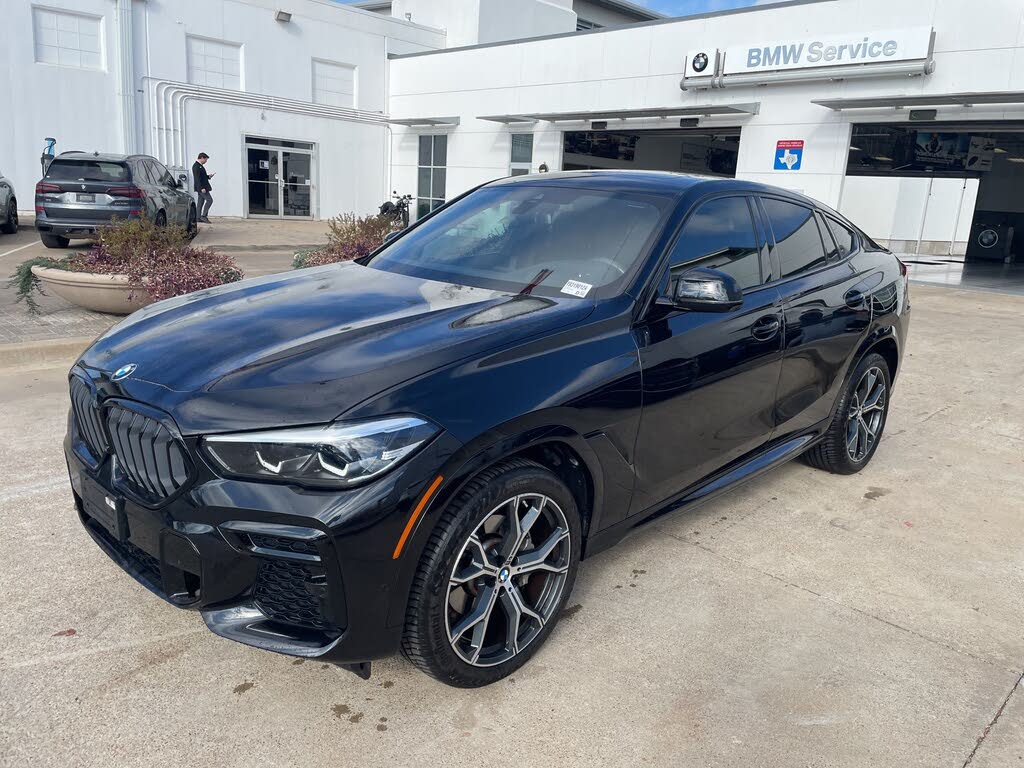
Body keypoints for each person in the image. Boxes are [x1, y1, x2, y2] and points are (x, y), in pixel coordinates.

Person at [192, 152, 215, 223]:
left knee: (200, 202)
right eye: (205, 159)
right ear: (201, 158)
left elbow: (202, 177)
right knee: (209, 200)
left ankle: (198, 218)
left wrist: (208, 176)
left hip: (201, 188)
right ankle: (204, 216)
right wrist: (201, 188)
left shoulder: (200, 166)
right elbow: (197, 179)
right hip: (201, 188)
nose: (206, 161)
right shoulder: (196, 166)